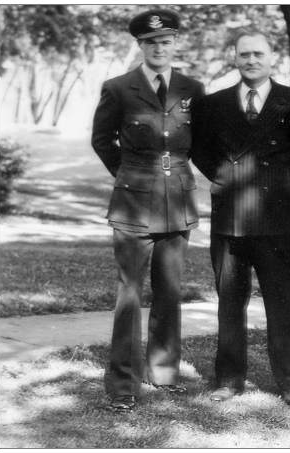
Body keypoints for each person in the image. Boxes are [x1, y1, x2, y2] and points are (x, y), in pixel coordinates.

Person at [190, 29, 290, 405]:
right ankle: (229, 379)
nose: (251, 60)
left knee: (282, 301)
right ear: (235, 57)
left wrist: (279, 181)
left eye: (258, 54)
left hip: (278, 217)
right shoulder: (211, 105)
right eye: (244, 54)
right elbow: (200, 152)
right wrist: (226, 178)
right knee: (230, 300)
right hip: (230, 217)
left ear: (272, 57)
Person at [91, 8, 204, 413]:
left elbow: (200, 142)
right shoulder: (119, 87)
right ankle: (123, 382)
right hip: (133, 202)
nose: (159, 48)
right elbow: (102, 140)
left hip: (177, 201)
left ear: (175, 44)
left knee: (170, 290)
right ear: (140, 45)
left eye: (166, 41)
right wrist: (129, 175)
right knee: (129, 293)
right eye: (151, 42)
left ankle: (164, 371)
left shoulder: (193, 87)